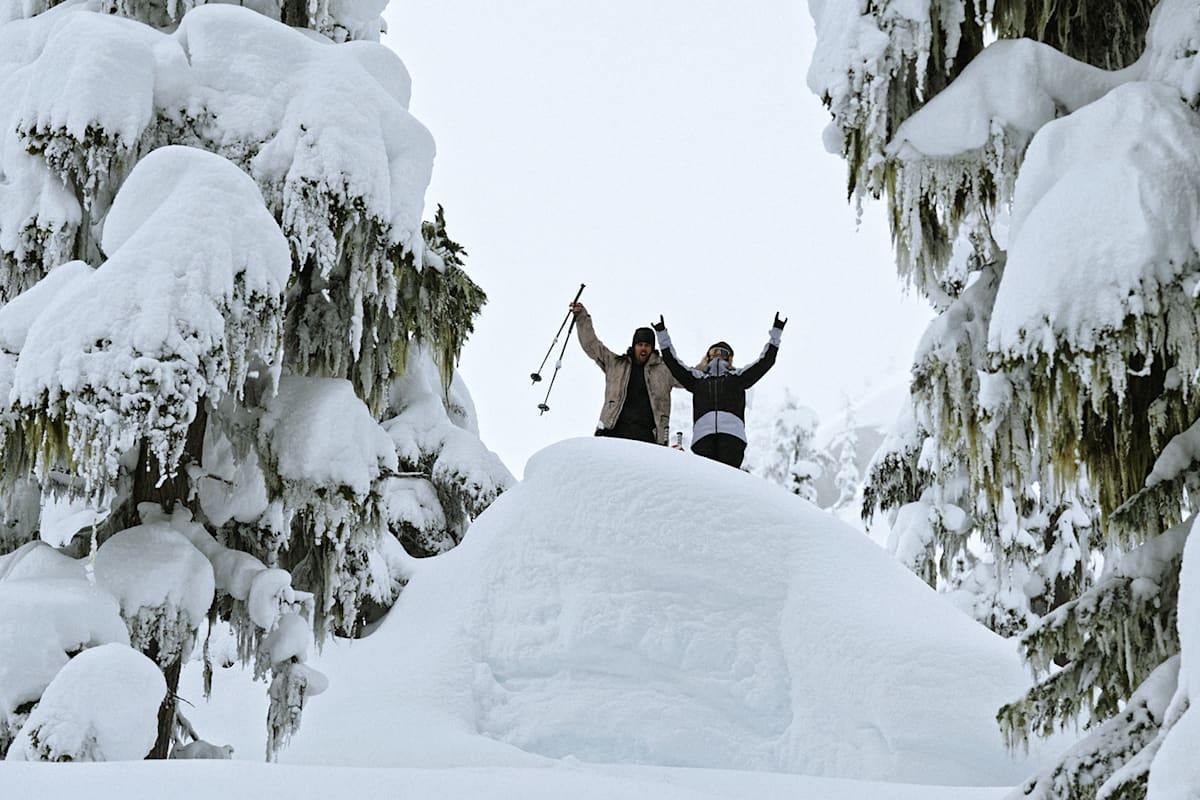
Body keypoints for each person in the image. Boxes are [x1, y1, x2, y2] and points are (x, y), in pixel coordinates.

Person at [653, 313, 786, 468]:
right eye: (713, 351)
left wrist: (776, 332)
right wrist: (662, 334)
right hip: (703, 436)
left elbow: (765, 362)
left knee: (728, 481)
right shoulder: (698, 378)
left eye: (722, 352)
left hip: (732, 436)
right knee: (707, 482)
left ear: (729, 358)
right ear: (708, 357)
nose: (717, 354)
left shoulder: (737, 377)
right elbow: (673, 363)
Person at [570, 301, 679, 445]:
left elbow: (689, 376)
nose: (643, 349)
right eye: (640, 345)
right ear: (634, 346)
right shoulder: (616, 364)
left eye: (647, 345)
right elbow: (592, 345)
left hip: (647, 436)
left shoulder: (664, 370)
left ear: (652, 348)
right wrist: (581, 317)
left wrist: (712, 359)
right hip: (613, 430)